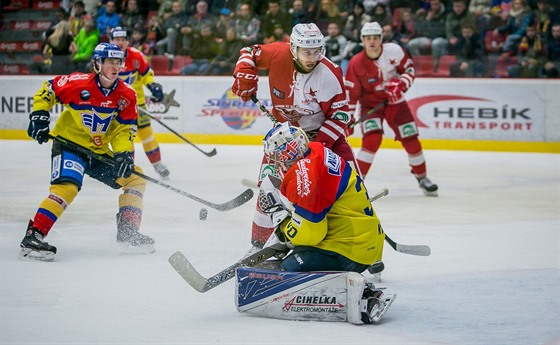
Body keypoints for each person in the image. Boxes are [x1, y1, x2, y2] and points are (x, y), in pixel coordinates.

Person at [235, 122, 395, 325]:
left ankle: (361, 297)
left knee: (289, 267)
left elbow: (312, 234)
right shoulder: (316, 151)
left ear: (286, 154)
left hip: (350, 249)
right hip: (362, 241)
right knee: (296, 255)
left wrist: (282, 224)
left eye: (276, 156)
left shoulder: (303, 177)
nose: (275, 163)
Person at [20, 43, 155, 262]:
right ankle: (34, 235)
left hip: (97, 152)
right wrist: (39, 115)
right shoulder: (78, 83)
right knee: (68, 187)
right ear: (97, 64)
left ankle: (127, 232)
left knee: (135, 179)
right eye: (109, 61)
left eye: (118, 61)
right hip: (69, 145)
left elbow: (124, 129)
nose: (115, 66)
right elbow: (49, 89)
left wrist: (123, 155)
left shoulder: (127, 95)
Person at [231, 22, 357, 250]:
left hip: (324, 137)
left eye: (316, 51)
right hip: (285, 138)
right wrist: (243, 71)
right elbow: (249, 53)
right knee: (268, 187)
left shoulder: (329, 73)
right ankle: (257, 246)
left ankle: (359, 244)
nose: (312, 57)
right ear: (294, 49)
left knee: (352, 186)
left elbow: (340, 115)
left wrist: (317, 147)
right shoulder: (279, 54)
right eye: (306, 52)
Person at [345, 22, 438, 196]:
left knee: (411, 139)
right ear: (362, 41)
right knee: (371, 141)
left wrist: (401, 83)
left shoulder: (394, 51)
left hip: (396, 103)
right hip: (370, 106)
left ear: (381, 39)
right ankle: (354, 185)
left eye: (375, 38)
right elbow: (351, 95)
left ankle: (422, 177)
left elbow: (409, 70)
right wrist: (348, 119)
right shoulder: (356, 63)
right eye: (368, 38)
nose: (371, 42)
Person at [110, 27, 170, 178]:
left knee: (147, 136)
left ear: (127, 41)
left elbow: (146, 75)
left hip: (138, 105)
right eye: (117, 39)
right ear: (111, 41)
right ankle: (127, 167)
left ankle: (158, 165)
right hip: (116, 109)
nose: (120, 42)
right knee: (124, 138)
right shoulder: (105, 58)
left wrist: (153, 85)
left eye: (123, 39)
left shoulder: (136, 56)